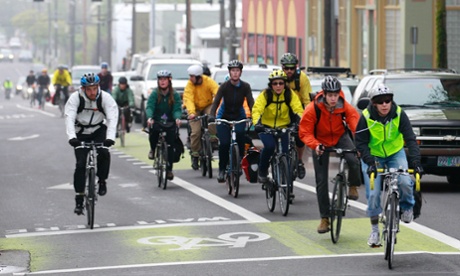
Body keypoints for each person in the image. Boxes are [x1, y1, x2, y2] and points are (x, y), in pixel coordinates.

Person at [355, 84, 423, 247]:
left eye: (388, 100)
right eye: (380, 101)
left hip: (395, 153)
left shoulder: (399, 114)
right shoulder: (366, 116)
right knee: (373, 194)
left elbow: (411, 139)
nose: (385, 104)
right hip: (374, 156)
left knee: (406, 182)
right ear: (373, 103)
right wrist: (370, 162)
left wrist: (416, 162)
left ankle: (407, 208)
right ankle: (374, 231)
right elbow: (361, 143)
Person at [299, 75, 361, 234]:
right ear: (324, 94)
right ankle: (325, 219)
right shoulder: (313, 108)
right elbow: (304, 132)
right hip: (320, 141)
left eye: (336, 95)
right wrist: (315, 145)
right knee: (321, 181)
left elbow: (355, 123)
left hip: (340, 137)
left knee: (353, 159)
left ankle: (353, 185)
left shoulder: (344, 105)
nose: (334, 99)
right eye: (330, 95)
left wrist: (360, 144)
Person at [64, 73, 118, 215]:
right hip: (80, 132)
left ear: (98, 87)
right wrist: (72, 137)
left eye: (95, 88)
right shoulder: (75, 98)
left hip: (98, 130)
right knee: (81, 164)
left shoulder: (105, 98)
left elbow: (112, 118)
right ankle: (79, 199)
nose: (92, 92)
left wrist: (110, 138)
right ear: (83, 89)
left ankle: (102, 180)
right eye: (89, 89)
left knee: (104, 153)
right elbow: (69, 118)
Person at [252, 69, 304, 189]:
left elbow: (298, 109)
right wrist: (257, 124)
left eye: (281, 83)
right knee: (269, 147)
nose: (278, 86)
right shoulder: (266, 95)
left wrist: (300, 121)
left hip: (283, 127)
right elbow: (257, 110)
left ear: (284, 84)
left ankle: (286, 180)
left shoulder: (289, 94)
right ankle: (262, 171)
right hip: (266, 127)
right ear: (271, 85)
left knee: (285, 153)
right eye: (275, 84)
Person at [209, 60, 255, 182]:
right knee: (224, 144)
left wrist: (255, 116)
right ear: (229, 73)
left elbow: (251, 102)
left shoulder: (246, 86)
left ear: (240, 72)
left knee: (241, 138)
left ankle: (238, 163)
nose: (235, 73)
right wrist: (212, 115)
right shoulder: (224, 86)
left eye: (237, 71)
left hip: (239, 116)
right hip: (223, 116)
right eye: (233, 71)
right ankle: (222, 170)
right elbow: (216, 102)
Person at [280, 53, 313, 180]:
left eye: (291, 68)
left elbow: (307, 100)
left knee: (300, 136)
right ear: (282, 68)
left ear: (296, 67)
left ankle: (299, 161)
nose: (289, 71)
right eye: (286, 68)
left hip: (298, 110)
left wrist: (307, 117)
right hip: (282, 110)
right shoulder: (278, 78)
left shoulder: (302, 78)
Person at [146, 70, 182, 180]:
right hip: (157, 121)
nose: (162, 81)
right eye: (160, 79)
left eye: (164, 79)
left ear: (169, 80)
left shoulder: (174, 94)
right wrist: (150, 117)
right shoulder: (154, 93)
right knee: (153, 132)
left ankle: (169, 169)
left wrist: (177, 119)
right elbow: (150, 106)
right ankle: (153, 149)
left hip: (170, 122)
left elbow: (177, 109)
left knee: (170, 145)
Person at [183, 64, 219, 170]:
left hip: (207, 105)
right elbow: (188, 99)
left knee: (212, 116)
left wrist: (218, 104)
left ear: (198, 76)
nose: (190, 78)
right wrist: (192, 112)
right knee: (195, 132)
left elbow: (217, 92)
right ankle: (195, 154)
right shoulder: (189, 85)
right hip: (195, 109)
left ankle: (213, 138)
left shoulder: (208, 81)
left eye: (192, 76)